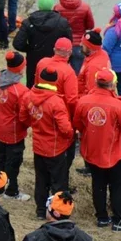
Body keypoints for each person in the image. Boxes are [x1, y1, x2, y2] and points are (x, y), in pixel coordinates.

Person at [74, 69, 121, 231]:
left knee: (98, 184)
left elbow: (78, 124)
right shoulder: (119, 105)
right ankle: (118, 221)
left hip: (92, 152)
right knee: (118, 187)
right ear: (113, 85)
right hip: (115, 154)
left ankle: (102, 217)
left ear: (96, 83)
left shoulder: (83, 101)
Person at [21, 66, 74, 219]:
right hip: (55, 148)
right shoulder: (56, 102)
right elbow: (65, 128)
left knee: (41, 179)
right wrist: (71, 135)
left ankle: (40, 210)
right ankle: (60, 212)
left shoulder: (28, 96)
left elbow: (23, 118)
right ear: (55, 81)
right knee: (58, 182)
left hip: (38, 147)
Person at [0, 51, 31, 201]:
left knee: (0, 158)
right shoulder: (21, 91)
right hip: (14, 133)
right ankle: (11, 191)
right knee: (13, 163)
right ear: (20, 69)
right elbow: (24, 116)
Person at [14, 0, 73, 90]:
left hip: (34, 62)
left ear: (39, 5)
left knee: (32, 88)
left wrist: (30, 49)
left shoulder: (29, 22)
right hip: (56, 62)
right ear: (52, 6)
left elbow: (18, 43)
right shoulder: (62, 23)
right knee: (54, 89)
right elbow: (69, 45)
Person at [54, 0, 94, 74]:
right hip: (79, 45)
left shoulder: (57, 8)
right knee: (78, 75)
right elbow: (90, 25)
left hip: (63, 44)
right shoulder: (85, 7)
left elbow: (54, 26)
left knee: (61, 73)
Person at [35, 38, 79, 117]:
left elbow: (36, 85)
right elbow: (71, 100)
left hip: (40, 109)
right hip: (58, 112)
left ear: (54, 50)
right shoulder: (69, 72)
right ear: (70, 52)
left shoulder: (42, 62)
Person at [77, 28, 112, 96]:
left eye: (83, 44)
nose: (80, 44)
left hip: (85, 98)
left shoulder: (93, 67)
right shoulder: (101, 53)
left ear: (89, 47)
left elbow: (92, 91)